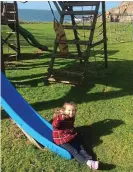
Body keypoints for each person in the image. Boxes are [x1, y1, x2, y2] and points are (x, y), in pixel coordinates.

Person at [52, 102, 99, 170]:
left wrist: (72, 131)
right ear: (64, 110)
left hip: (69, 135)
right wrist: (59, 118)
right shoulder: (60, 118)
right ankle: (88, 162)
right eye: (69, 110)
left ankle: (90, 159)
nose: (71, 112)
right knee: (74, 151)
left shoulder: (71, 117)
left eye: (73, 110)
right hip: (61, 139)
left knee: (81, 145)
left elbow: (70, 126)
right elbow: (54, 125)